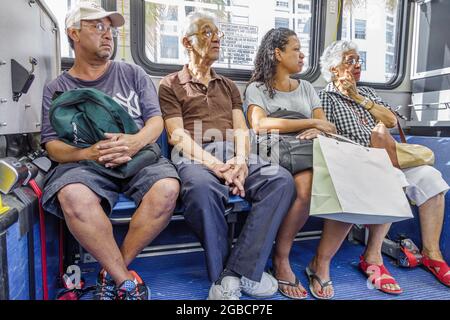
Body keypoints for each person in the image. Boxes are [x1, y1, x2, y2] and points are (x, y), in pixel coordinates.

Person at [40, 2, 180, 300]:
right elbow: (52, 145)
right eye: (98, 27)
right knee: (72, 195)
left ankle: (112, 271)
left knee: (167, 188)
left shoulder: (133, 72)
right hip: (87, 164)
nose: (108, 35)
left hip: (139, 157)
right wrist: (88, 153)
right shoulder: (58, 87)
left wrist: (135, 141)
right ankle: (126, 282)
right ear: (74, 33)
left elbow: (156, 122)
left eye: (111, 29)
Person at [158, 12, 296, 300]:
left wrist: (241, 162)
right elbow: (177, 135)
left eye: (217, 33)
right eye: (207, 33)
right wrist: (217, 166)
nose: (216, 38)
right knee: (201, 188)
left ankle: (238, 272)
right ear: (186, 42)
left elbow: (241, 129)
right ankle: (224, 276)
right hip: (193, 154)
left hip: (233, 154)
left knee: (281, 181)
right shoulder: (170, 84)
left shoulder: (229, 85)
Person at [318, 40, 450, 294]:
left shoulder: (367, 93)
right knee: (391, 178)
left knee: (431, 178)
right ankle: (373, 256)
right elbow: (328, 134)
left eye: (359, 60)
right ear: (334, 70)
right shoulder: (324, 97)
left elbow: (389, 120)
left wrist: (358, 97)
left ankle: (432, 253)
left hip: (389, 155)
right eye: (350, 61)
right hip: (356, 159)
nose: (357, 65)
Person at [244, 28, 342, 300]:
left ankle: (322, 260)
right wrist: (310, 122)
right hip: (276, 152)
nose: (302, 55)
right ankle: (281, 258)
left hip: (309, 150)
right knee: (307, 185)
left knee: (338, 180)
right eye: (296, 49)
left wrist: (319, 131)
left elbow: (327, 126)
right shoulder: (258, 89)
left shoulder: (308, 88)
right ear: (277, 53)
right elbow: (260, 124)